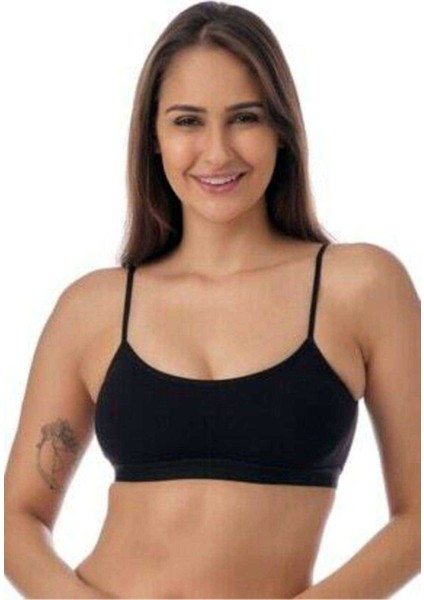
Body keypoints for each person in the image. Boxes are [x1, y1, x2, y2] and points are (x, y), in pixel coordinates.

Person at [4, 2, 420, 598]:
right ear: (153, 138)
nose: (218, 152)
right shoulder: (93, 308)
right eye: (187, 121)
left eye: (245, 117)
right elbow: (18, 520)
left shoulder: (360, 287)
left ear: (281, 128)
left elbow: (416, 519)